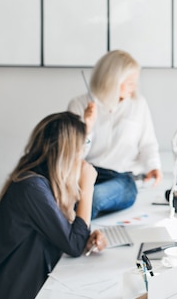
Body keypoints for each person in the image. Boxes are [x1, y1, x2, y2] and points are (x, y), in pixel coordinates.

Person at [0, 111, 107, 299]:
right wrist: (87, 188)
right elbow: (73, 245)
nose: (83, 156)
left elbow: (70, 239)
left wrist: (86, 238)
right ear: (68, 152)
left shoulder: (41, 182)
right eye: (83, 146)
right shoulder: (31, 188)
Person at [68, 49, 162, 219]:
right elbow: (72, 156)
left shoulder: (138, 104)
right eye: (130, 82)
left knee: (92, 198)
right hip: (87, 174)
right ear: (112, 81)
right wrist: (87, 128)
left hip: (123, 179)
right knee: (64, 198)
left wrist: (153, 166)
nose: (134, 88)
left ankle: (74, 237)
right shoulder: (79, 105)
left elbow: (147, 143)